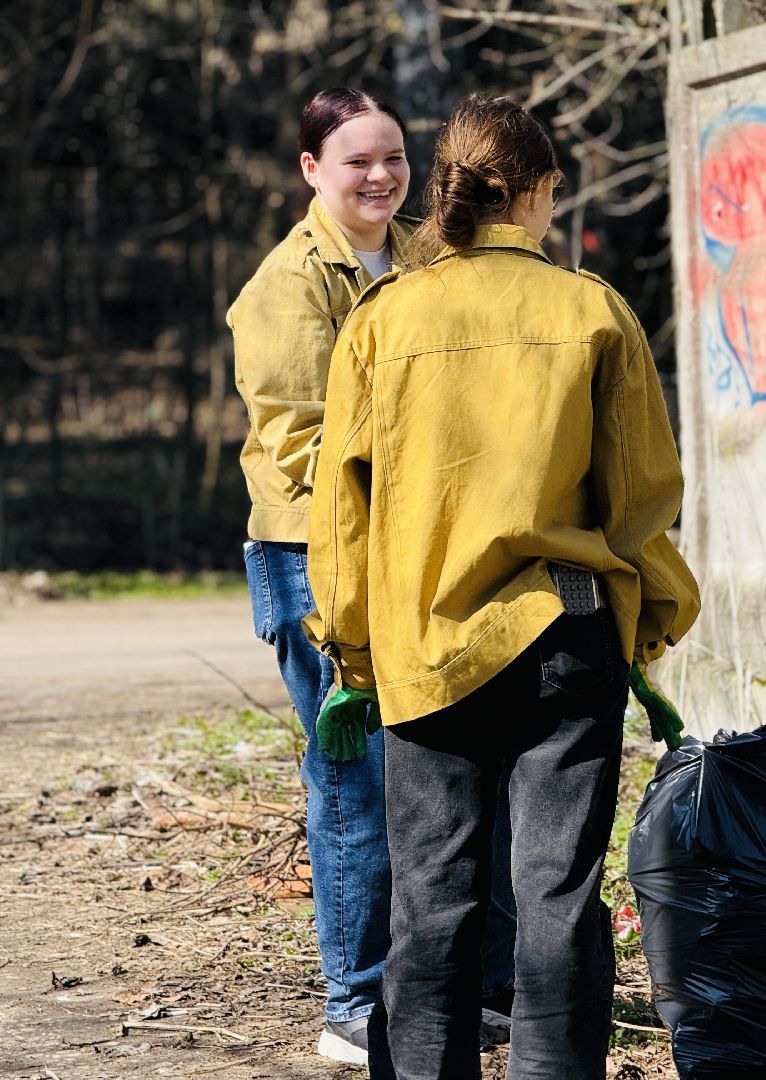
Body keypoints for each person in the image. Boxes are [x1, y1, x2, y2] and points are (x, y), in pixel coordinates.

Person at [303, 94, 701, 1080]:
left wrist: (351, 655)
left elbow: (342, 514)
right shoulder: (592, 311)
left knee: (432, 908)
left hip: (423, 650)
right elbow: (641, 501)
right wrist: (647, 631)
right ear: (536, 194)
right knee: (559, 899)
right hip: (568, 641)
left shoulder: (381, 322)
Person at [230, 87, 513, 1065]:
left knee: (444, 760)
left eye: (395, 156)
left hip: (412, 545)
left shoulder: (425, 257)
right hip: (313, 555)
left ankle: (452, 982)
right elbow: (311, 447)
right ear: (311, 170)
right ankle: (352, 1004)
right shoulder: (284, 290)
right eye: (359, 161)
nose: (383, 176)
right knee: (351, 781)